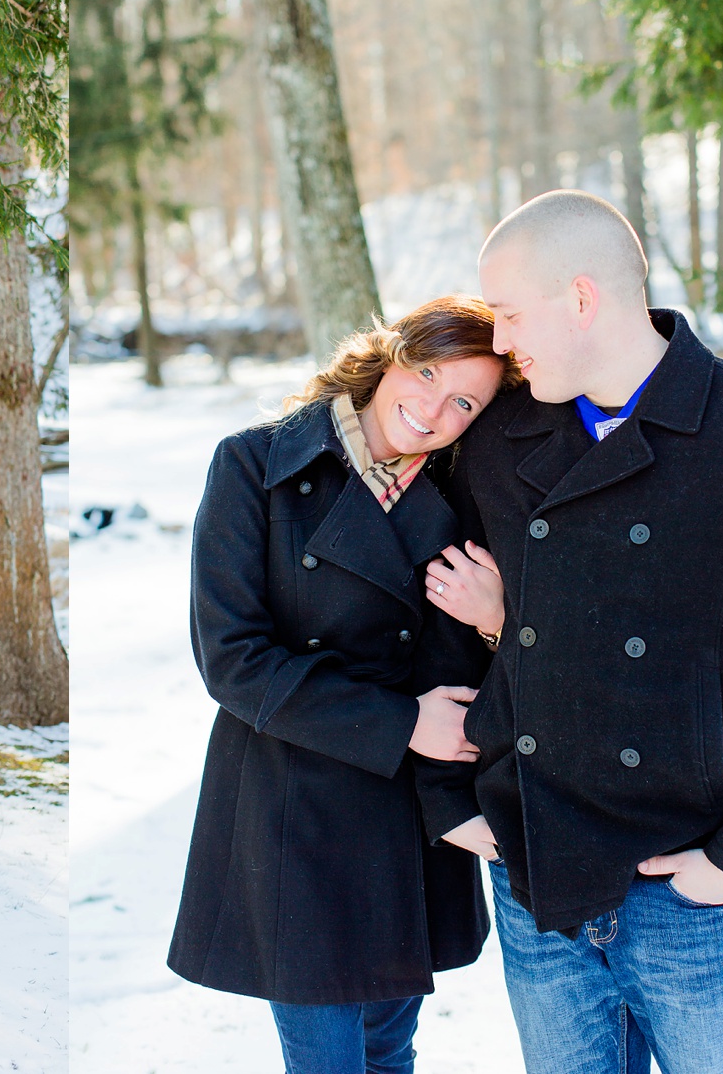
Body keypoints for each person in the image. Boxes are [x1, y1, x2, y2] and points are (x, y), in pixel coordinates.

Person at [421, 189, 723, 1074]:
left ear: (581, 298)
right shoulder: (496, 440)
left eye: (509, 314)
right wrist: (451, 799)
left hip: (698, 899)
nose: (498, 344)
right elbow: (443, 621)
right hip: (539, 883)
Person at [167, 296, 522, 1073]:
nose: (431, 410)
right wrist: (400, 723)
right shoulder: (253, 465)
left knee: (391, 1049)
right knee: (327, 1059)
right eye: (425, 373)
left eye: (464, 401)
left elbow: (491, 659)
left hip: (411, 812)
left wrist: (495, 619)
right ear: (391, 354)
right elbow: (230, 658)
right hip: (295, 806)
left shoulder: (468, 496)